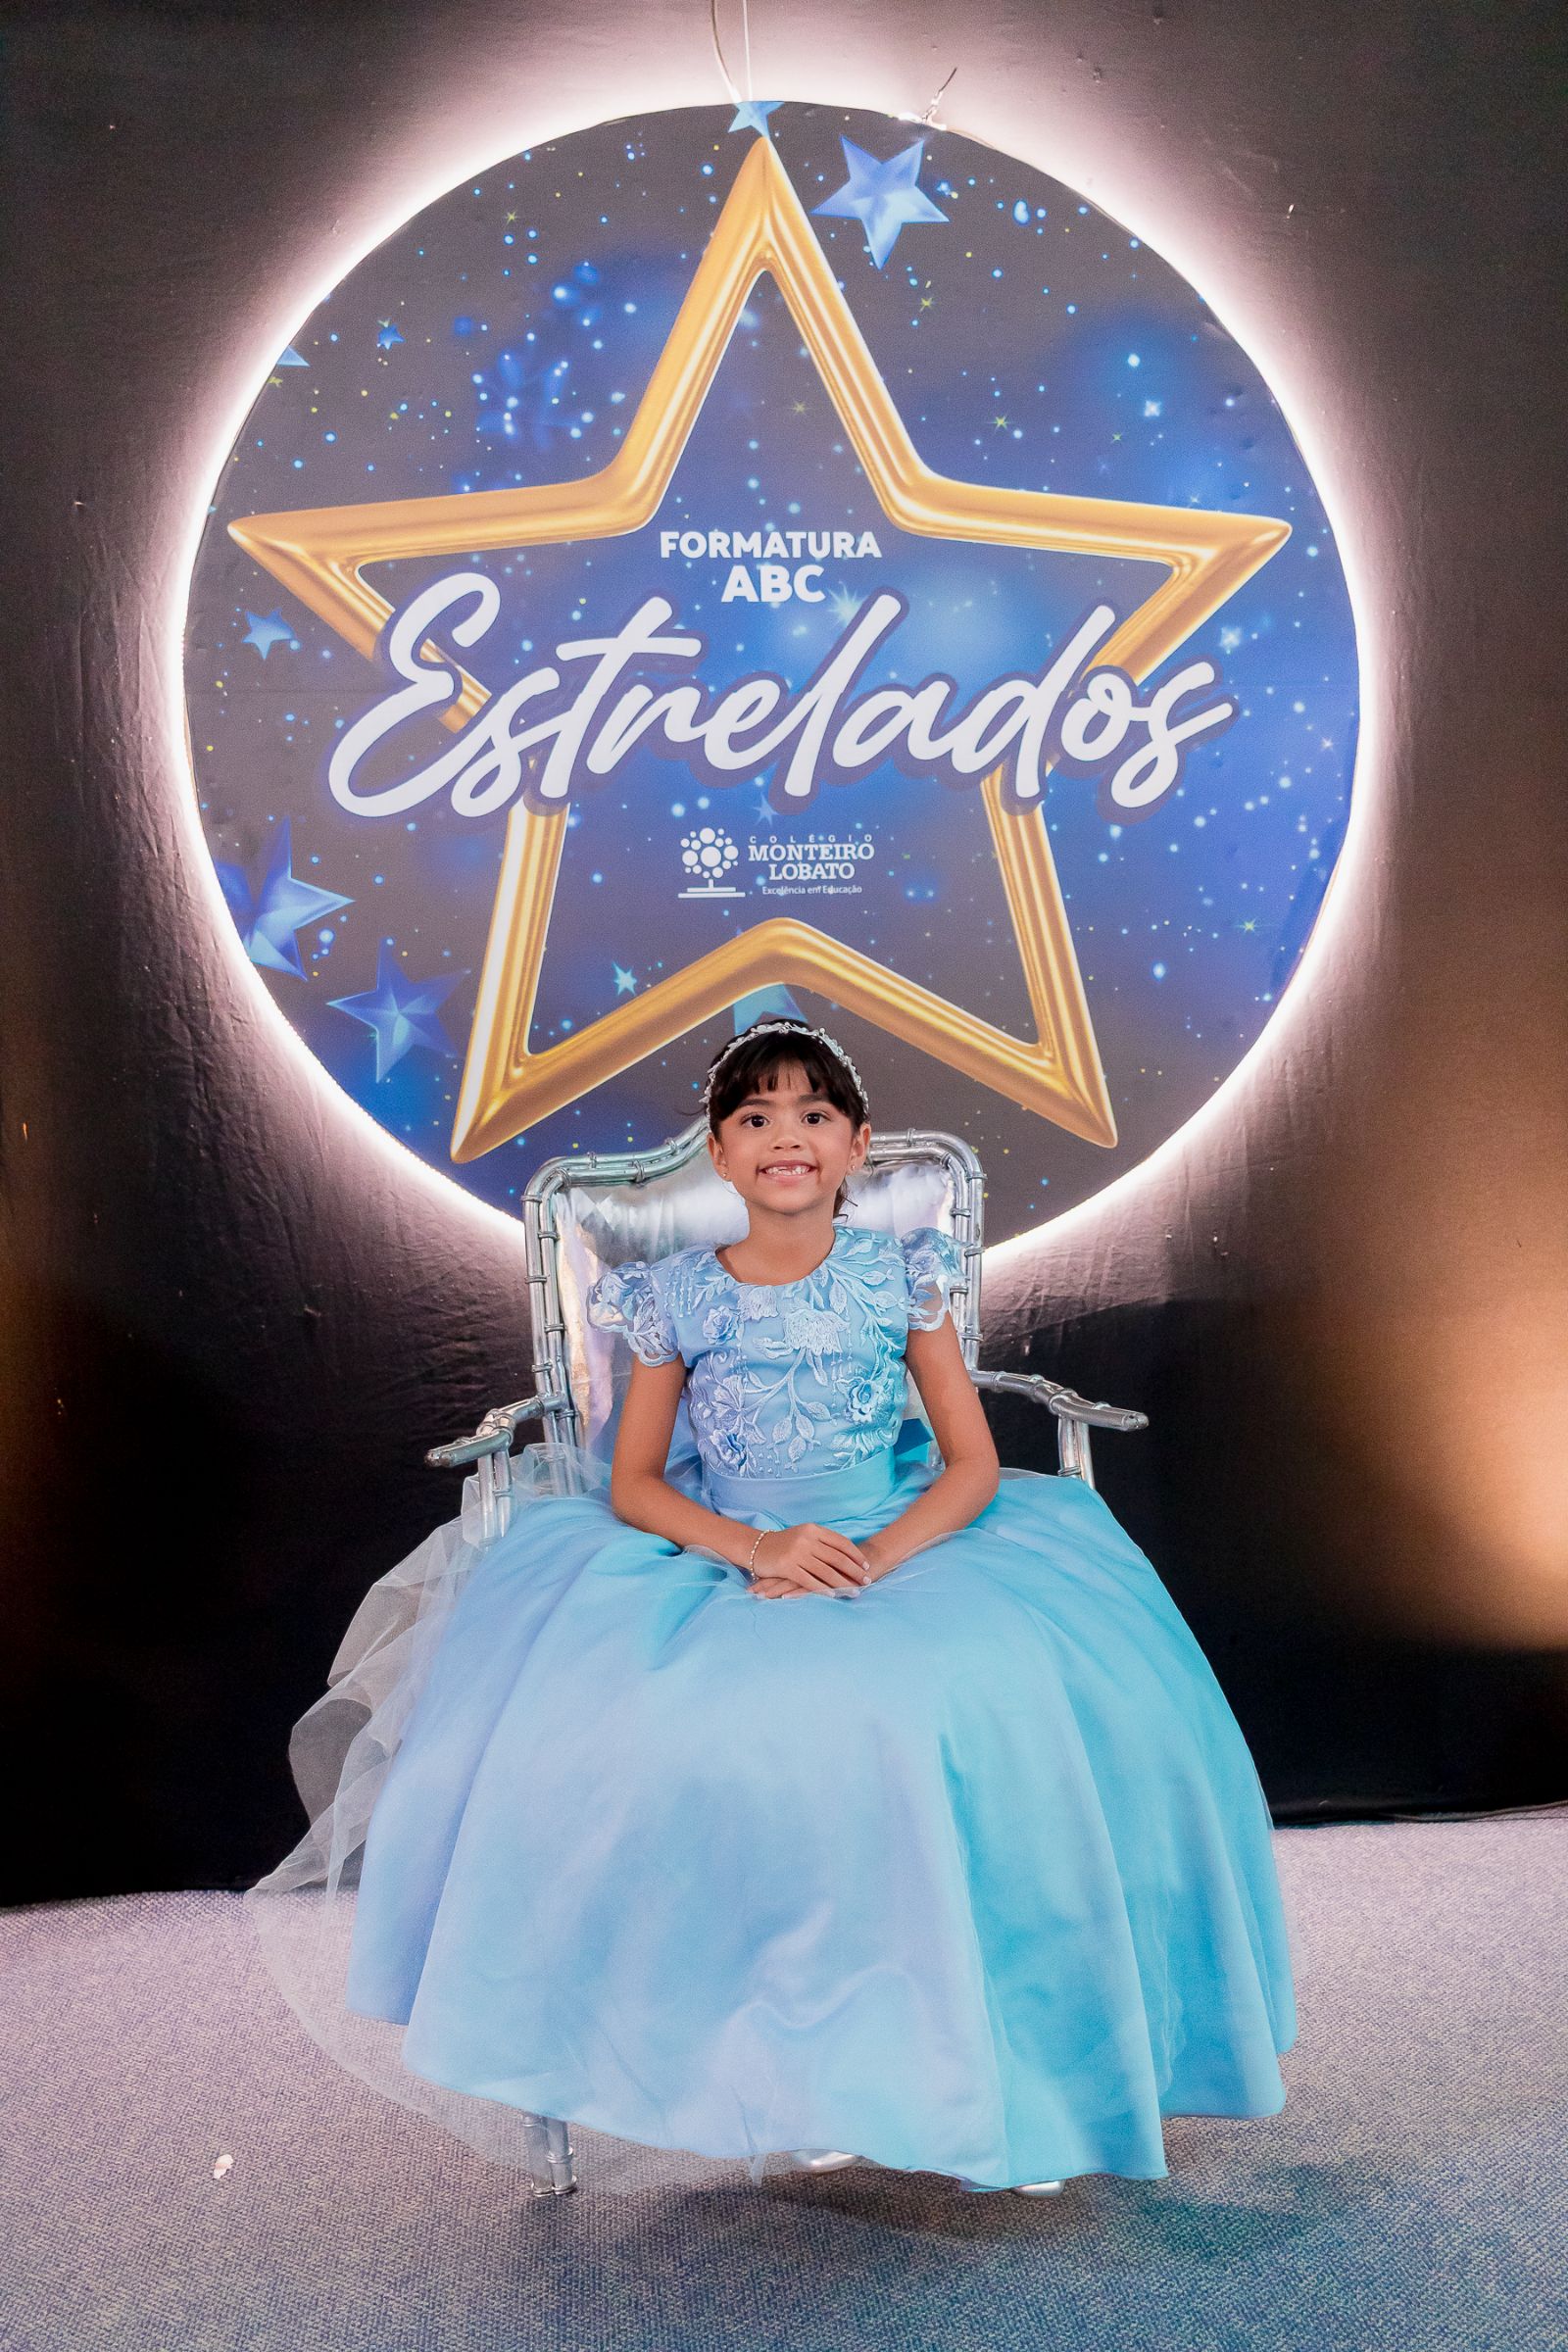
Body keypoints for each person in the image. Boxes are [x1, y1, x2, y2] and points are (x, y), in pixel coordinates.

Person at [246, 1015, 1297, 2199]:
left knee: (984, 1707)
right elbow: (637, 1484)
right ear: (719, 1150)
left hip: (897, 1536)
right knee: (692, 1733)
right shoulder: (675, 1294)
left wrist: (871, 1558)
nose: (784, 1136)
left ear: (856, 1145)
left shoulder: (899, 1275)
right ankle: (753, 2062)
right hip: (723, 1542)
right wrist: (759, 1548)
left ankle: (1000, 2064)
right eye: (754, 1117)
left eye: (812, 1115)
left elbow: (968, 1465)